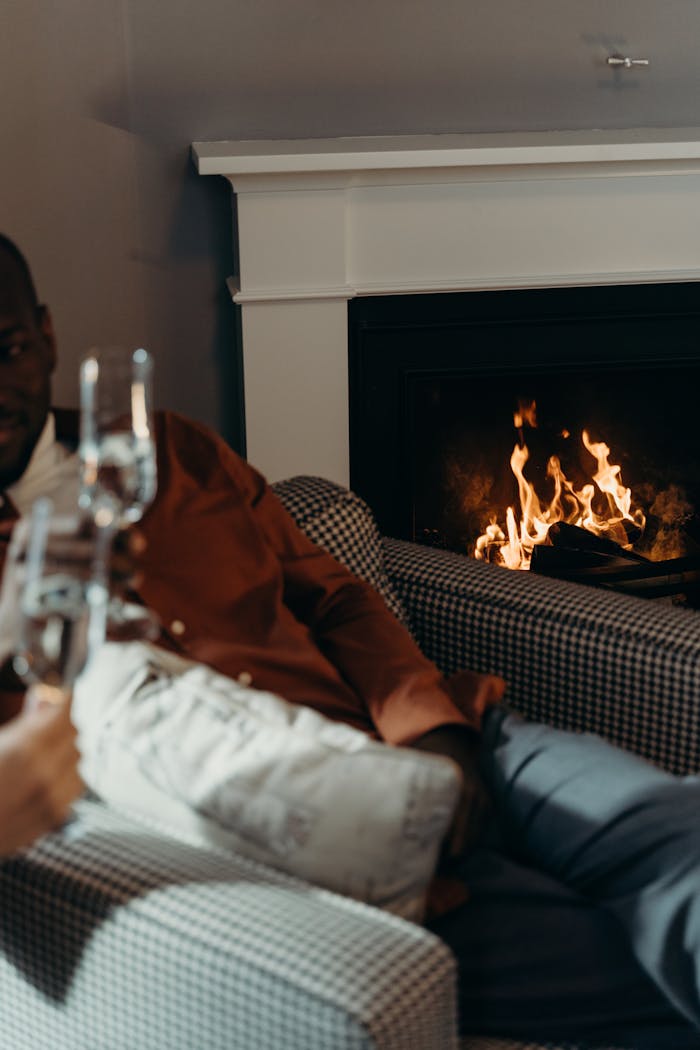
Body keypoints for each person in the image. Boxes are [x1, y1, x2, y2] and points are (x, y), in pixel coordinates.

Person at [0, 232, 699, 1048]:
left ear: (46, 335)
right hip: (315, 849)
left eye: (5, 347)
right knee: (638, 967)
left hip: (452, 744)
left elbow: (336, 598)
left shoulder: (171, 450)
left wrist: (433, 732)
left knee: (680, 840)